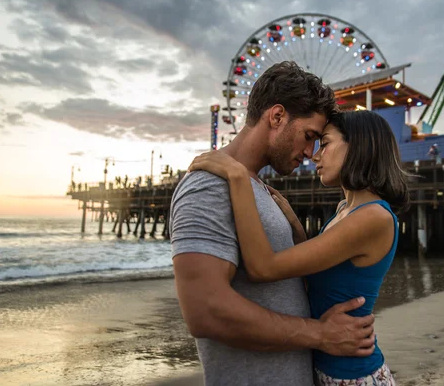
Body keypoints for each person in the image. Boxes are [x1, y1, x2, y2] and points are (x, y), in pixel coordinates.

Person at [171, 61, 376, 386]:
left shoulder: (257, 189)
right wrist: (319, 335)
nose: (310, 152)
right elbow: (205, 310)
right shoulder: (209, 185)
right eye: (309, 136)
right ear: (277, 117)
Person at [189, 109, 410, 385]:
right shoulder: (345, 210)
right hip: (330, 372)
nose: (315, 155)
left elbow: (263, 267)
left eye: (325, 143)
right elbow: (321, 278)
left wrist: (238, 177)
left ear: (359, 146)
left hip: (355, 377)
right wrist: (296, 229)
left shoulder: (373, 217)